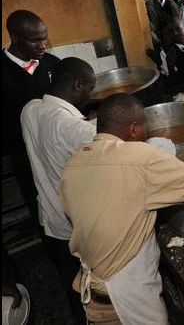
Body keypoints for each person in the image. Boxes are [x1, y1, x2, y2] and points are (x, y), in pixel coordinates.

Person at [59, 93, 184, 324]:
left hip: (94, 289)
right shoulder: (139, 156)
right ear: (133, 129)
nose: (147, 135)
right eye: (145, 129)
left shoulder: (73, 164)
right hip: (126, 296)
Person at [20, 57, 97, 323]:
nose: (89, 97)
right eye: (88, 90)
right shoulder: (75, 128)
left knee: (71, 283)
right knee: (93, 286)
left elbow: (57, 137)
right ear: (77, 84)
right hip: (76, 225)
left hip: (50, 219)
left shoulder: (30, 109)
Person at [2, 10, 61, 230]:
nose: (42, 45)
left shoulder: (51, 64)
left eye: (44, 38)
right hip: (26, 158)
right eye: (35, 40)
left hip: (58, 151)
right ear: (15, 38)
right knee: (43, 211)